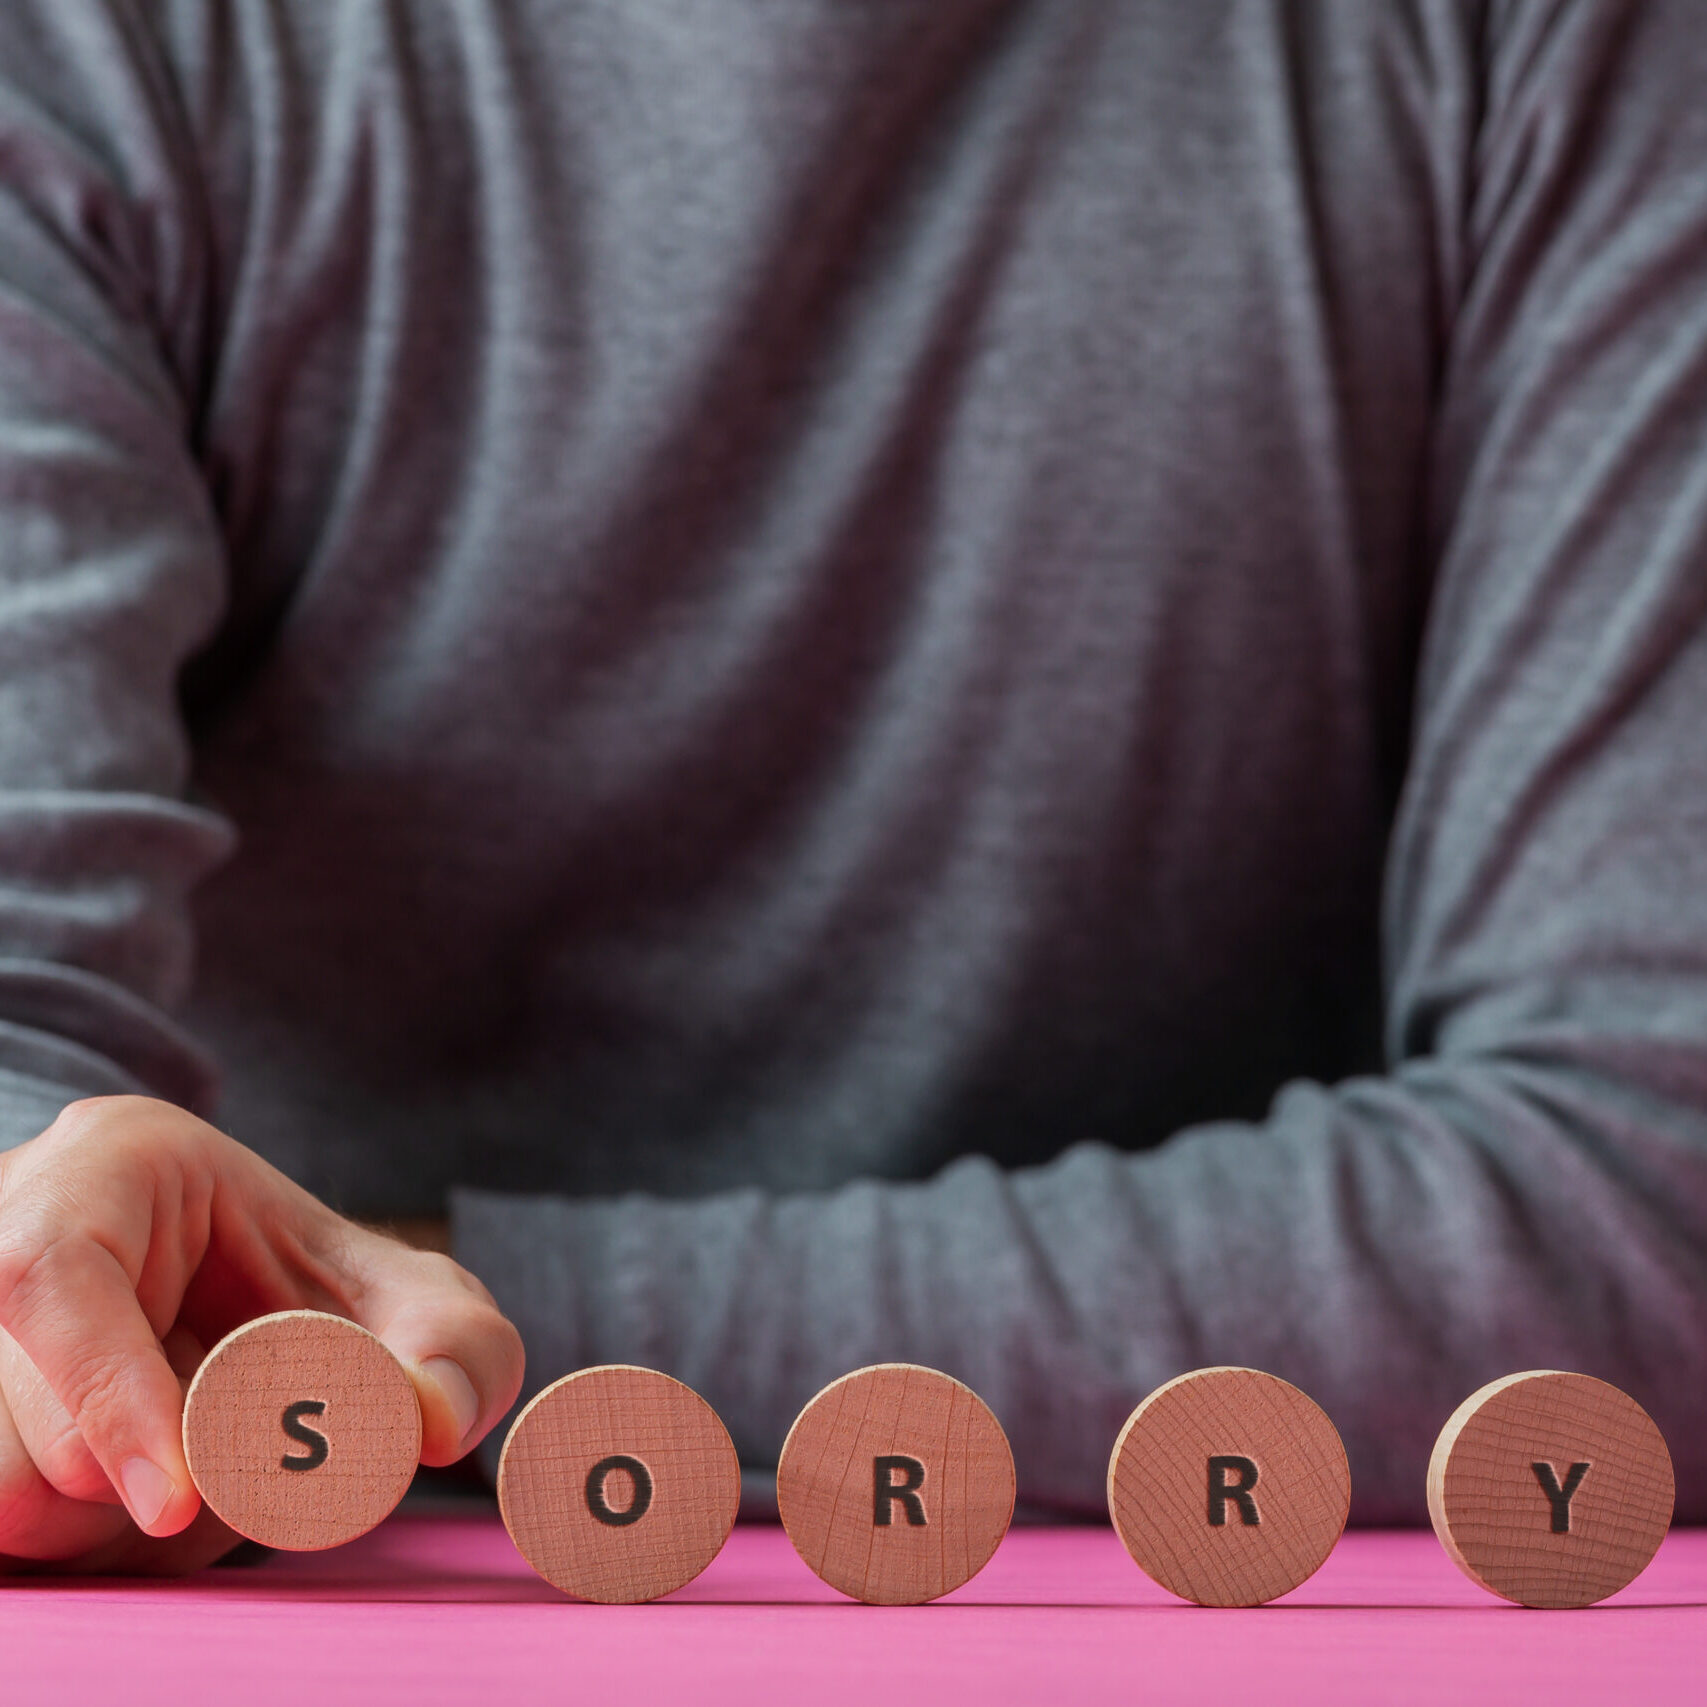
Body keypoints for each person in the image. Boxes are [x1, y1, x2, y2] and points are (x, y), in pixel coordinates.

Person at [2, 0, 1706, 1572]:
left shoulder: (1560, 43)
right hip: (323, 1592)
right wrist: (147, 1357)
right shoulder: (89, 50)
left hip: (1221, 1598)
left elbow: (1641, 1207)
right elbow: (24, 1186)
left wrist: (332, 1350)